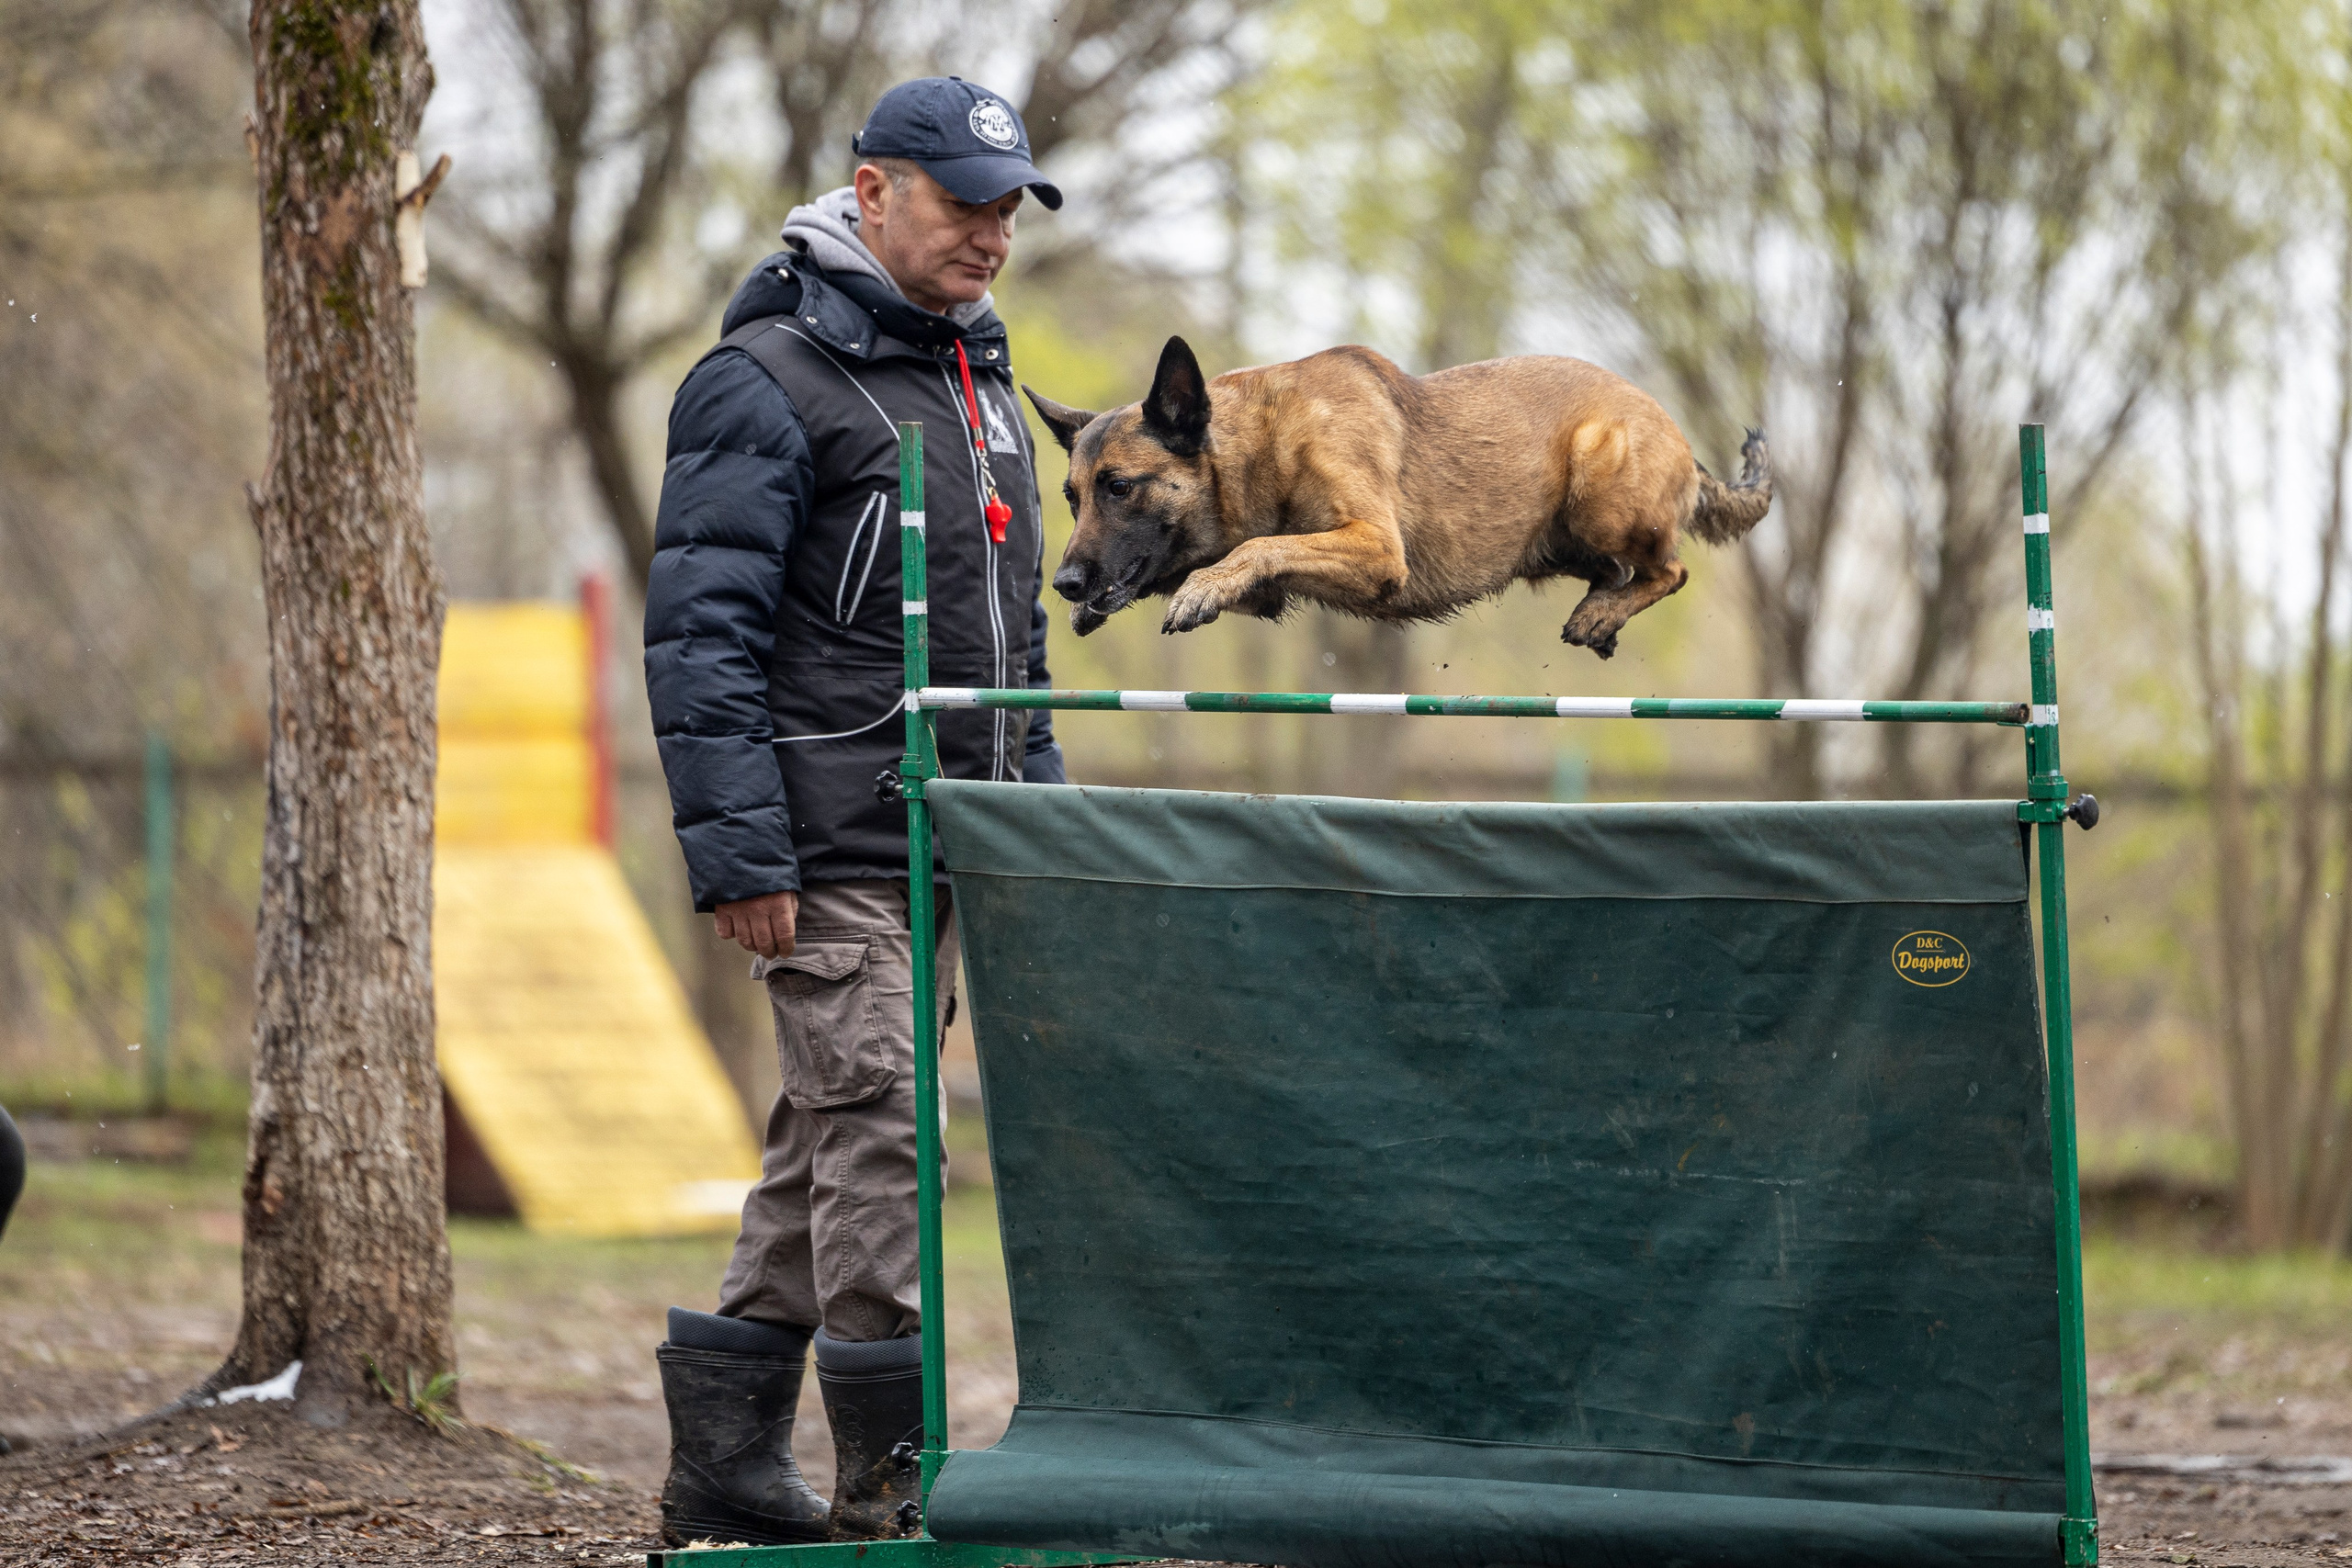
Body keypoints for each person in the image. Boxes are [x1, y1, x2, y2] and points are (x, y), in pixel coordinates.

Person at [642, 77, 1067, 1548]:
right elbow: (700, 641)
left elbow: (1019, 649)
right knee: (885, 1138)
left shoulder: (986, 392)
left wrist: (1040, 829)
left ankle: (724, 1469)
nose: (991, 236)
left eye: (1009, 210)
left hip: (958, 844)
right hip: (829, 848)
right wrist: (740, 856)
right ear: (873, 191)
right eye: (963, 204)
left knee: (823, 1145)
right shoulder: (763, 379)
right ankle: (894, 1482)